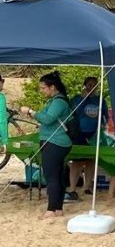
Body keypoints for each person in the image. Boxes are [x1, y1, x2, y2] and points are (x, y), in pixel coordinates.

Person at [22, 71, 72, 219]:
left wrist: (31, 111)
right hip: (55, 141)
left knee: (52, 176)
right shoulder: (55, 101)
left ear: (52, 87)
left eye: (43, 88)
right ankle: (58, 209)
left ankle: (51, 210)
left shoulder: (58, 102)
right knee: (58, 175)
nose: (42, 90)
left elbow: (48, 119)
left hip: (55, 142)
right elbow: (48, 119)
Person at [67, 76, 103, 200]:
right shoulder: (77, 98)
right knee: (77, 161)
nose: (92, 87)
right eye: (89, 85)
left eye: (94, 85)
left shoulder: (99, 100)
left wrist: (102, 127)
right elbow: (73, 113)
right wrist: (84, 99)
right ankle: (72, 188)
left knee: (91, 160)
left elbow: (104, 115)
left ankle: (87, 187)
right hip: (79, 132)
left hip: (94, 133)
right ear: (85, 85)